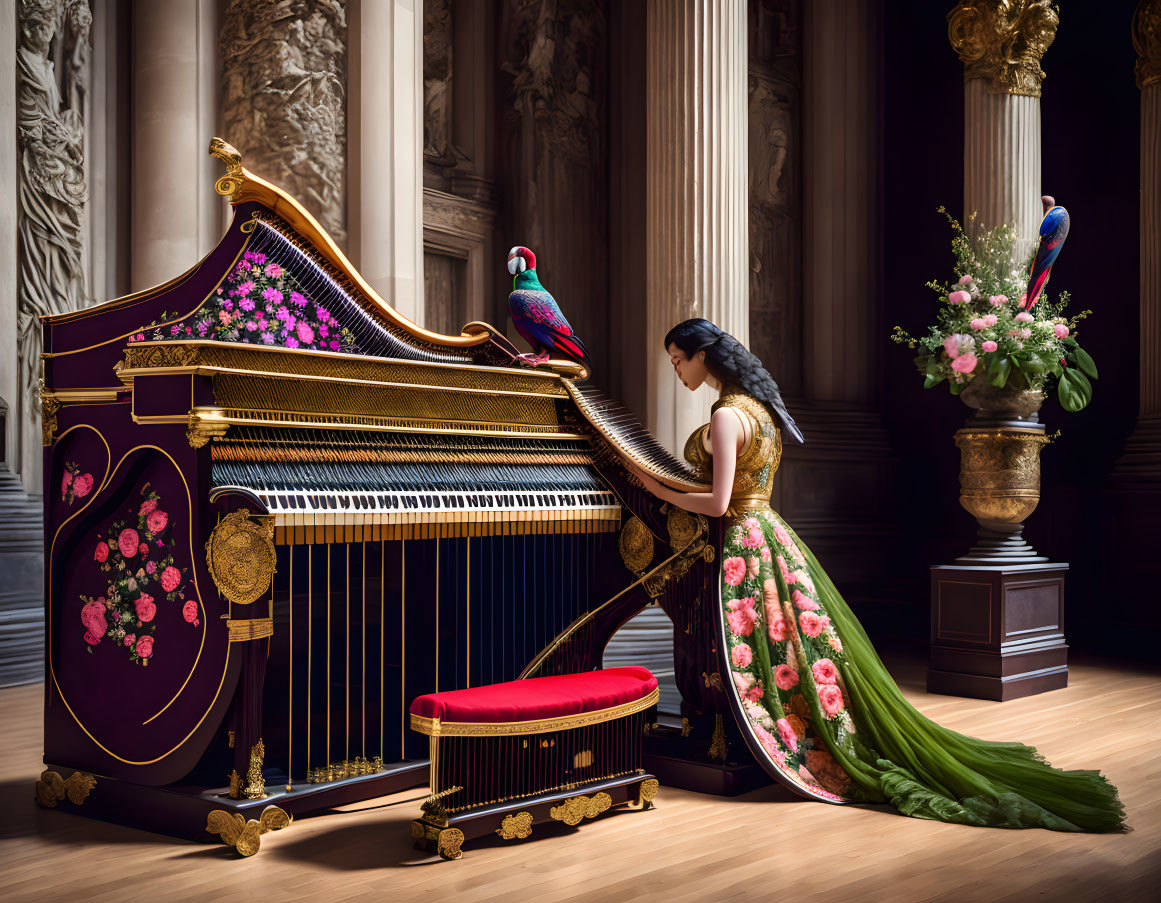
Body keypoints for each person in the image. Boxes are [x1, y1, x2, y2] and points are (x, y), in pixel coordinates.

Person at [626, 317, 1126, 832]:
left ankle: (750, 737)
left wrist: (649, 484)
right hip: (766, 533)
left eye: (677, 359)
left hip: (739, 540)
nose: (676, 370)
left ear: (702, 356)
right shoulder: (757, 409)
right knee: (786, 649)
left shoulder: (729, 415)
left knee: (765, 648)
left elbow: (718, 501)